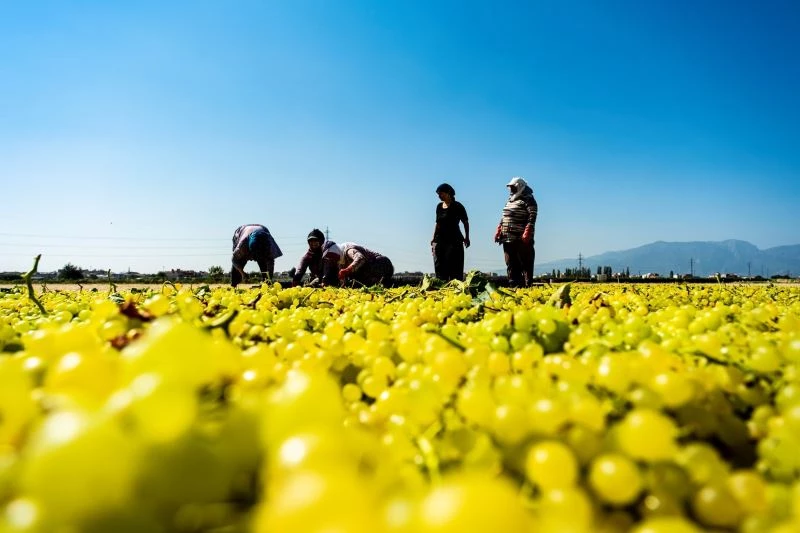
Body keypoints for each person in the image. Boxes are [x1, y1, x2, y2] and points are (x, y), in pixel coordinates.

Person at [494, 176, 538, 287]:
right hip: (507, 237)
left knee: (525, 261)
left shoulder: (528, 199)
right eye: (510, 187)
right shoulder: (510, 200)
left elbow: (532, 215)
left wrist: (528, 229)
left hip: (521, 237)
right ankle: (513, 284)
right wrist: (499, 228)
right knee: (511, 262)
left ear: (519, 187)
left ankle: (527, 284)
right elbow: (505, 215)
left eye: (512, 187)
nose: (510, 189)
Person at [430, 183, 470, 281]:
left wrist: (467, 237)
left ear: (448, 193)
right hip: (440, 240)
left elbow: (465, 222)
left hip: (454, 240)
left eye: (441, 193)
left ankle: (454, 288)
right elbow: (437, 223)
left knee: (455, 267)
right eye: (438, 194)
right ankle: (441, 287)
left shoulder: (458, 206)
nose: (439, 196)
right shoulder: (439, 207)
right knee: (440, 266)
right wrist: (433, 238)